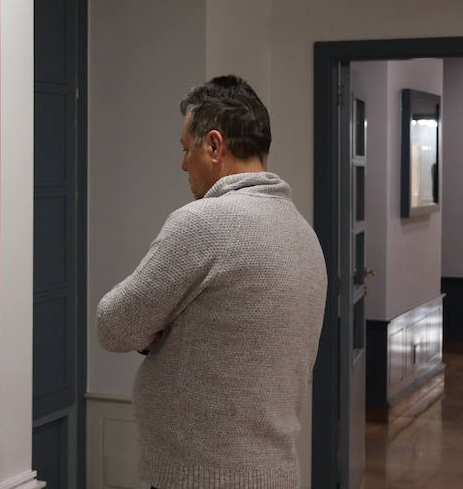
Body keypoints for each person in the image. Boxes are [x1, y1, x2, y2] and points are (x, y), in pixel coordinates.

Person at [95, 75, 327, 488]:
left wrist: (158, 331)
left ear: (214, 146)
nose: (183, 164)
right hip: (272, 470)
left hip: (203, 475)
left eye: (186, 149)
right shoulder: (302, 232)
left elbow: (114, 325)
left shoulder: (205, 222)